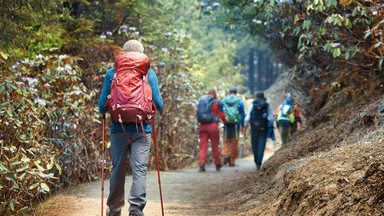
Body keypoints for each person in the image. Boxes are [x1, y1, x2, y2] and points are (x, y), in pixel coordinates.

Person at [98, 40, 163, 216]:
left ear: (123, 54)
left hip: (118, 129)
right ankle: (135, 209)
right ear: (142, 54)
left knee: (117, 169)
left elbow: (102, 105)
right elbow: (158, 103)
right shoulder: (149, 74)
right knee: (139, 170)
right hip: (143, 130)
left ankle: (114, 210)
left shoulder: (112, 73)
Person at [196, 89, 225, 172]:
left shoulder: (202, 101)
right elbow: (221, 115)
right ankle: (218, 164)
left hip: (202, 126)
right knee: (215, 146)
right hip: (213, 126)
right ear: (215, 94)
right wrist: (225, 122)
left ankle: (202, 165)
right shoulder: (216, 102)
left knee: (202, 147)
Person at [244, 91, 274, 171]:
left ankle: (256, 160)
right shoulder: (266, 105)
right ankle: (258, 163)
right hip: (263, 129)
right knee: (261, 146)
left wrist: (245, 124)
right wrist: (272, 121)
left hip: (254, 128)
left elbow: (247, 118)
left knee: (254, 145)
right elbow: (271, 117)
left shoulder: (253, 105)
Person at [220, 85, 245, 167]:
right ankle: (231, 161)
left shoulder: (224, 101)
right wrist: (242, 126)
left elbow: (220, 112)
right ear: (236, 92)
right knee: (234, 142)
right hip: (236, 125)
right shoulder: (239, 102)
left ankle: (226, 153)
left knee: (226, 140)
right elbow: (242, 114)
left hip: (226, 124)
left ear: (229, 92)